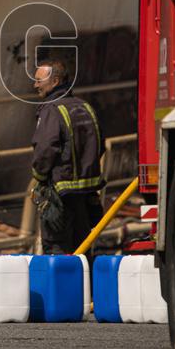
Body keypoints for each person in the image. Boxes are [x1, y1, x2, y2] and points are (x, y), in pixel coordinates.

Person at [30, 59, 105, 254]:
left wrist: (39, 178)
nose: (35, 85)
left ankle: (62, 286)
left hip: (60, 196)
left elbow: (45, 149)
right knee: (82, 252)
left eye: (39, 81)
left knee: (57, 250)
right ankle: (84, 286)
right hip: (86, 197)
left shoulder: (52, 110)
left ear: (55, 81)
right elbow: (100, 144)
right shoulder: (85, 107)